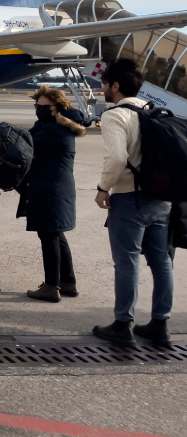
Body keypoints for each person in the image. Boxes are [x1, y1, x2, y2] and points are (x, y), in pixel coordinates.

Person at [93, 58, 174, 346]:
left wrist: (104, 188)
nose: (102, 88)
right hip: (162, 199)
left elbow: (117, 158)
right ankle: (159, 324)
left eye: (104, 84)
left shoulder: (115, 115)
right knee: (162, 262)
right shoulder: (151, 112)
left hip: (130, 199)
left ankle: (122, 324)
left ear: (115, 86)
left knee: (126, 263)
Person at [19, 86, 85, 303]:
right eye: (36, 105)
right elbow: (29, 136)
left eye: (43, 106)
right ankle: (68, 282)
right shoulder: (48, 124)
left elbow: (25, 146)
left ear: (57, 107)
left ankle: (51, 286)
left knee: (49, 237)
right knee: (56, 235)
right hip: (53, 188)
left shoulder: (56, 130)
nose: (38, 109)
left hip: (51, 190)